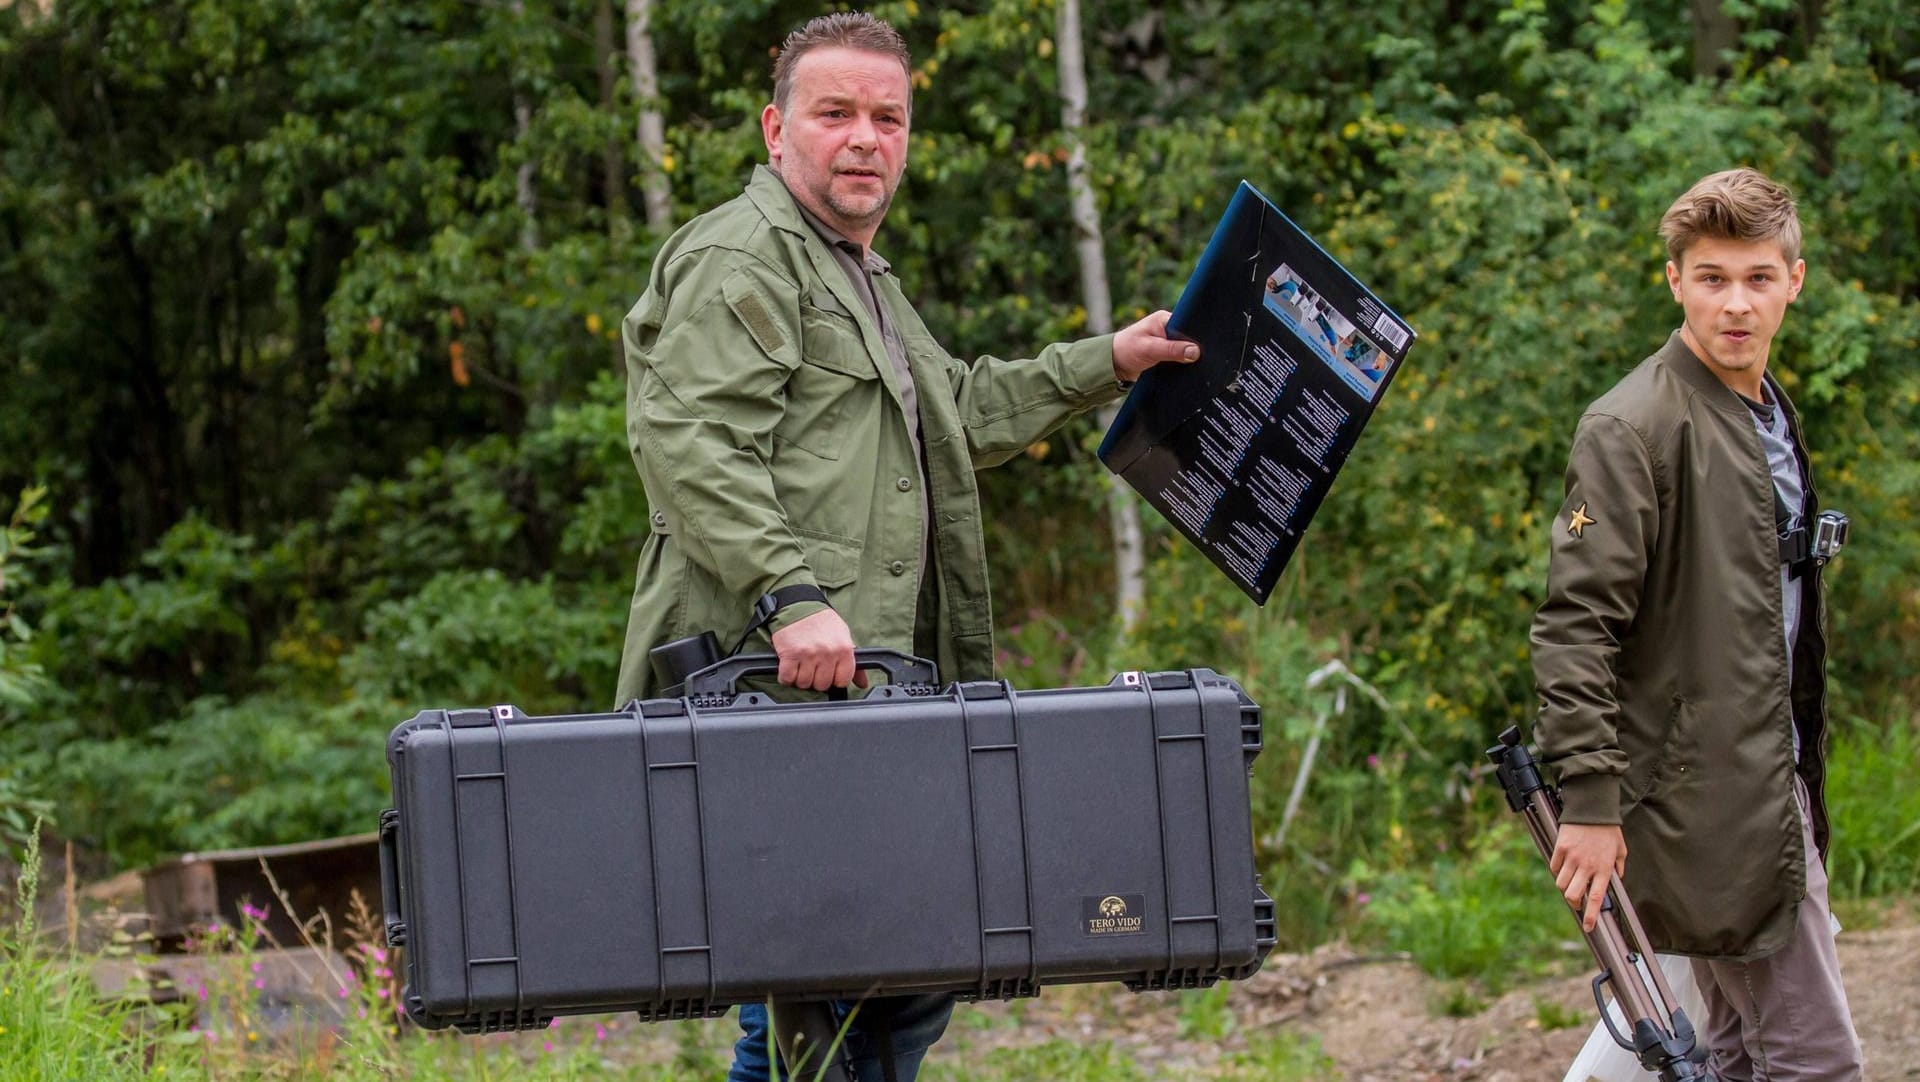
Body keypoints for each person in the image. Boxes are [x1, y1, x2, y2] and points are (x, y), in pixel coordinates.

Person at [611, 12, 1198, 1081]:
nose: (865, 138)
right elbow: (687, 438)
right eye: (835, 113)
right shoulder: (749, 256)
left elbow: (957, 414)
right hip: (774, 691)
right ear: (776, 127)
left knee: (891, 972)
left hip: (867, 692)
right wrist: (788, 595)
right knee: (830, 982)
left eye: (888, 117)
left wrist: (1108, 362)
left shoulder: (858, 274)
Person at [1531, 167, 1863, 1079]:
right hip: (1707, 803)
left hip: (1768, 773)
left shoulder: (1761, 408)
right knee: (1814, 1059)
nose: (1737, 304)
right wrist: (1590, 803)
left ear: (1795, 281)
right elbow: (1574, 627)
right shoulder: (1632, 426)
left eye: (1759, 278)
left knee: (1734, 1055)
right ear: (1674, 280)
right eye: (1712, 277)